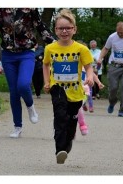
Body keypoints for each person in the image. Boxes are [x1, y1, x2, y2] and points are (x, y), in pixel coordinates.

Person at [0, 8, 54, 138]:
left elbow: (41, 27)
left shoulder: (30, 9)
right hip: (8, 55)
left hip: (27, 53)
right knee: (14, 91)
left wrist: (56, 44)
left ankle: (30, 106)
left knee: (23, 85)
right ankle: (17, 127)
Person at [43, 9, 94, 164]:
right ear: (56, 30)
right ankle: (59, 149)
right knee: (59, 118)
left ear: (74, 29)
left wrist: (90, 77)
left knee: (71, 123)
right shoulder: (50, 48)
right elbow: (45, 64)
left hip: (76, 92)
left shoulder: (81, 49)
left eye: (68, 28)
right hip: (57, 88)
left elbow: (89, 66)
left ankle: (67, 145)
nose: (64, 31)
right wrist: (47, 82)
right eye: (60, 28)